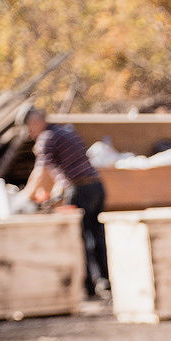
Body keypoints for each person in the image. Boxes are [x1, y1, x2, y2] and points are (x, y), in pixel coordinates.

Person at [22, 108, 111, 300]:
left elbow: (41, 172)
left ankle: (89, 286)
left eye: (29, 127)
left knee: (80, 238)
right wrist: (56, 192)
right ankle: (106, 282)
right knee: (96, 235)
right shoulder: (67, 132)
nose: (30, 133)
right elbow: (67, 171)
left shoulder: (47, 138)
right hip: (96, 186)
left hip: (80, 190)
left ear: (36, 122)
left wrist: (22, 199)